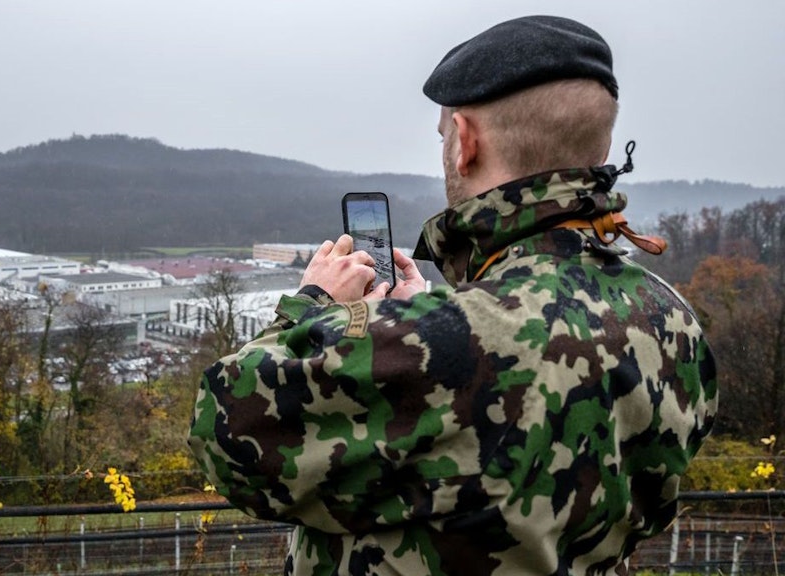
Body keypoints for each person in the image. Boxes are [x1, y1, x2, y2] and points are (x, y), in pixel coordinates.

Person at [188, 14, 717, 575]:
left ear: (465, 141)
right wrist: (431, 313)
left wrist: (315, 304)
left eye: (444, 135)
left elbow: (225, 428)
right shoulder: (671, 320)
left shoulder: (449, 341)